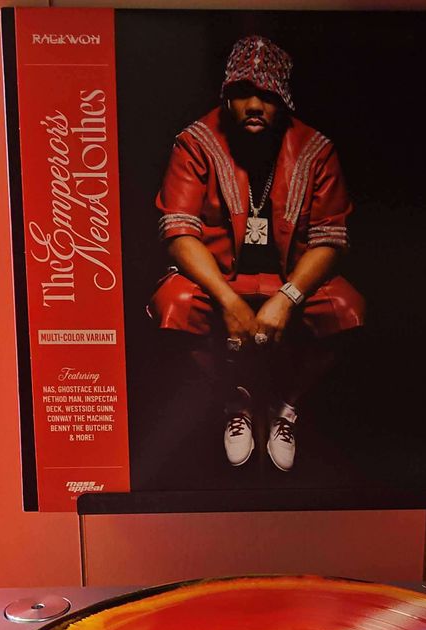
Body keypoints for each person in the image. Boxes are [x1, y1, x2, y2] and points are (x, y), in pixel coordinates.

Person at [150, 35, 365, 472]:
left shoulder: (315, 150)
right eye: (241, 93)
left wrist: (287, 298)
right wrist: (228, 300)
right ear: (226, 97)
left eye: (266, 95)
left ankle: (284, 405)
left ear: (283, 101)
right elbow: (178, 232)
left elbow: (329, 238)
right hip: (219, 278)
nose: (253, 105)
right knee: (171, 306)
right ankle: (236, 400)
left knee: (348, 309)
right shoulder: (195, 143)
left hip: (288, 279)